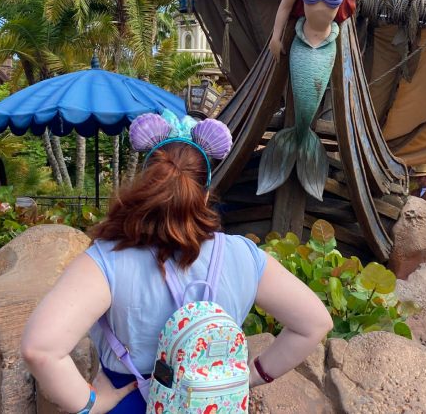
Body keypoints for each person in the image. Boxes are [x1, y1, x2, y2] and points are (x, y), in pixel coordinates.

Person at [21, 112, 332, 413]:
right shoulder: (244, 256)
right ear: (206, 192)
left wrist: (91, 404)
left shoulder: (108, 260)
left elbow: (40, 349)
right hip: (214, 404)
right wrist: (251, 375)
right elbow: (314, 324)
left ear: (146, 185)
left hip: (132, 399)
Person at [257, 0, 388, 201]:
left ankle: (305, 145)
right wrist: (276, 38)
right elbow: (286, 5)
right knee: (299, 99)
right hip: (302, 43)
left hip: (327, 45)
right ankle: (292, 144)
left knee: (314, 100)